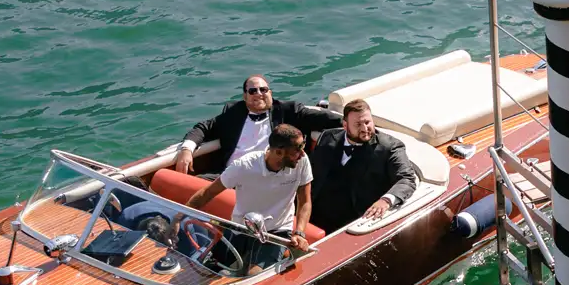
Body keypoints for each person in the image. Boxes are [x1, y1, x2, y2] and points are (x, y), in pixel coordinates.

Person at [174, 75, 342, 175]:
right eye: (253, 91)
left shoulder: (289, 111)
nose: (259, 94)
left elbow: (323, 118)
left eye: (264, 89)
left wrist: (352, 122)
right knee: (192, 189)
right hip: (230, 174)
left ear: (270, 92)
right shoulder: (233, 113)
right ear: (245, 96)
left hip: (270, 176)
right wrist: (186, 150)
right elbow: (203, 128)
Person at [189, 124, 315, 254]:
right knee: (211, 268)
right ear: (278, 152)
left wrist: (299, 233)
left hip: (278, 231)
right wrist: (178, 218)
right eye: (298, 149)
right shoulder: (244, 165)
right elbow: (208, 192)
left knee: (255, 272)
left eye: (302, 146)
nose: (302, 154)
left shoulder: (302, 162)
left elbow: (305, 201)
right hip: (240, 228)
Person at [308, 98, 419, 232]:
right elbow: (312, 171)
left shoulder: (389, 148)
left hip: (354, 218)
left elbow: (407, 179)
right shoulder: (327, 137)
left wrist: (386, 201)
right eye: (358, 124)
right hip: (314, 210)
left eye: (367, 122)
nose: (364, 129)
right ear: (345, 125)